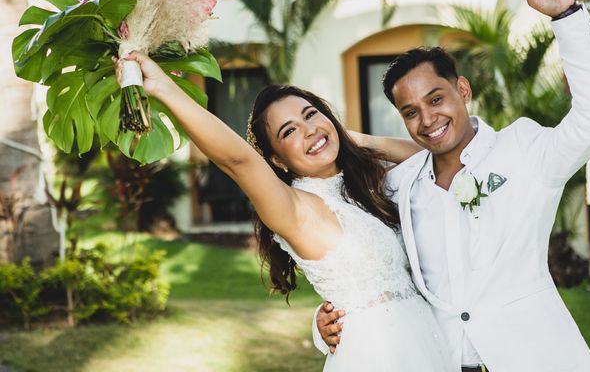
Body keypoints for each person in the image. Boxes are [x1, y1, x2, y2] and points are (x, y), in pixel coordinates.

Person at [314, 0, 590, 372]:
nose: (427, 120)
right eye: (410, 112)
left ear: (462, 89)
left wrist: (566, 16)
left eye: (436, 99)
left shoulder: (523, 150)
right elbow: (365, 267)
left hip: (533, 358)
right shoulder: (398, 188)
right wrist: (322, 327)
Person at [114, 58, 456, 370]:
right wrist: (162, 88)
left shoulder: (364, 184)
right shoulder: (294, 208)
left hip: (426, 340)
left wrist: (351, 139)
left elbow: (426, 161)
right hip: (376, 356)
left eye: (311, 115)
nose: (308, 130)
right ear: (277, 160)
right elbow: (238, 160)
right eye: (289, 131)